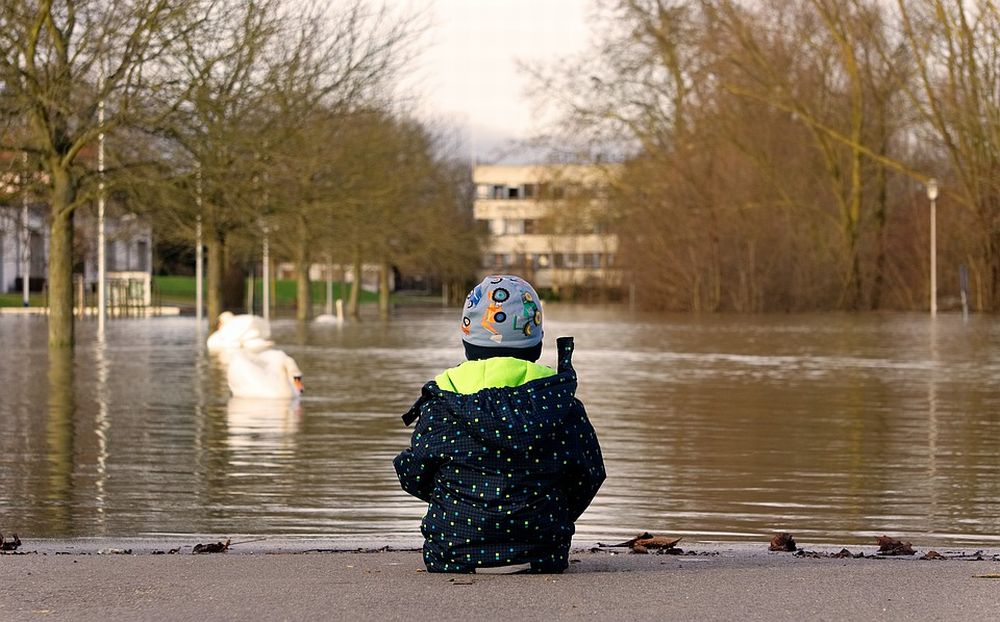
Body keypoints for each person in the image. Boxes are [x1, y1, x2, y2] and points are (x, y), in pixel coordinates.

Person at [393, 275, 605, 573]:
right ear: (537, 345)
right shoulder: (560, 406)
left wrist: (457, 495)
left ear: (466, 343)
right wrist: (554, 513)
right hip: (542, 553)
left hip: (453, 554)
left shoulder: (442, 405)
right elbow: (589, 474)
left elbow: (416, 474)